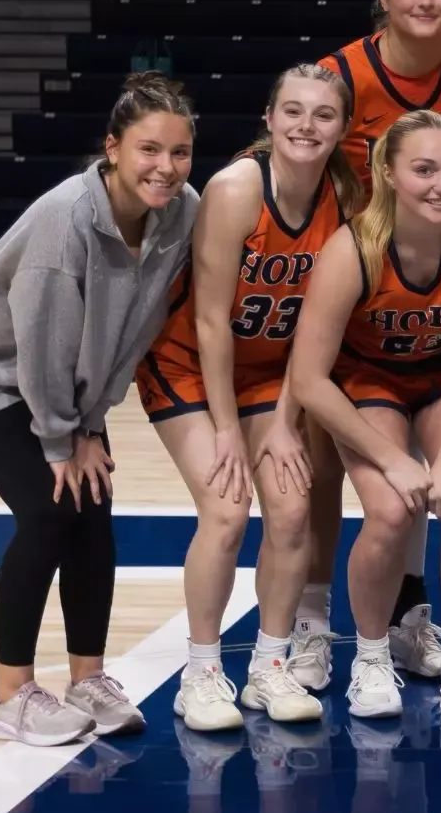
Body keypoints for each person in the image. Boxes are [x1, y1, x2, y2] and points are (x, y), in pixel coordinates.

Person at [0, 71, 200, 745]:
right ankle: (9, 697)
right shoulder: (65, 219)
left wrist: (94, 420)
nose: (165, 168)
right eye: (148, 150)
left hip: (65, 388)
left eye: (180, 152)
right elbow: (42, 344)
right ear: (113, 148)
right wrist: (59, 439)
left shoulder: (182, 209)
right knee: (49, 511)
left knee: (93, 511)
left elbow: (135, 326)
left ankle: (87, 678)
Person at [138, 64, 359, 731]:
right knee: (229, 511)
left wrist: (287, 421)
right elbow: (209, 320)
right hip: (189, 368)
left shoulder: (345, 201)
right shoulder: (237, 189)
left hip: (270, 374)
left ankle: (268, 666)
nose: (306, 126)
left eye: (323, 115)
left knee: (292, 513)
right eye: (292, 111)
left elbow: (316, 332)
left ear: (343, 127)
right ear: (268, 119)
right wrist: (230, 430)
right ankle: (200, 674)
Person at [285, 110, 441, 719]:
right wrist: (395, 460)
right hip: (370, 381)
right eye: (423, 170)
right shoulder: (352, 248)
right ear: (387, 173)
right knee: (391, 512)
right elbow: (310, 379)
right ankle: (370, 655)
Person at [315, 0, 441, 687]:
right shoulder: (344, 77)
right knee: (387, 510)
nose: (425, 2)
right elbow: (302, 148)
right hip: (368, 325)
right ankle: (357, 648)